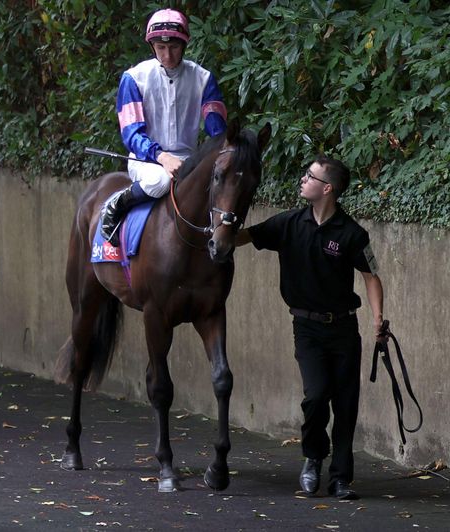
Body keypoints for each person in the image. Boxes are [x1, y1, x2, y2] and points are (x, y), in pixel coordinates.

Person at [235, 156, 385, 500]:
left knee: (346, 404)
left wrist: (378, 319)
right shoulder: (288, 223)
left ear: (327, 188)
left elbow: (371, 276)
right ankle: (313, 457)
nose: (303, 180)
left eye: (310, 176)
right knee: (316, 396)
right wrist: (217, 231)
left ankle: (341, 479)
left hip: (344, 329)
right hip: (307, 328)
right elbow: (246, 236)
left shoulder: (352, 233)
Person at [100, 8, 228, 245]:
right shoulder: (133, 78)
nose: (167, 55)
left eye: (174, 47)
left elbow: (217, 130)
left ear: (184, 45)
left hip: (189, 159)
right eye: (161, 48)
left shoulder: (204, 78)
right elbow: (131, 134)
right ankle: (117, 203)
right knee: (160, 181)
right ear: (152, 47)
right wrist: (162, 156)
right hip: (146, 161)